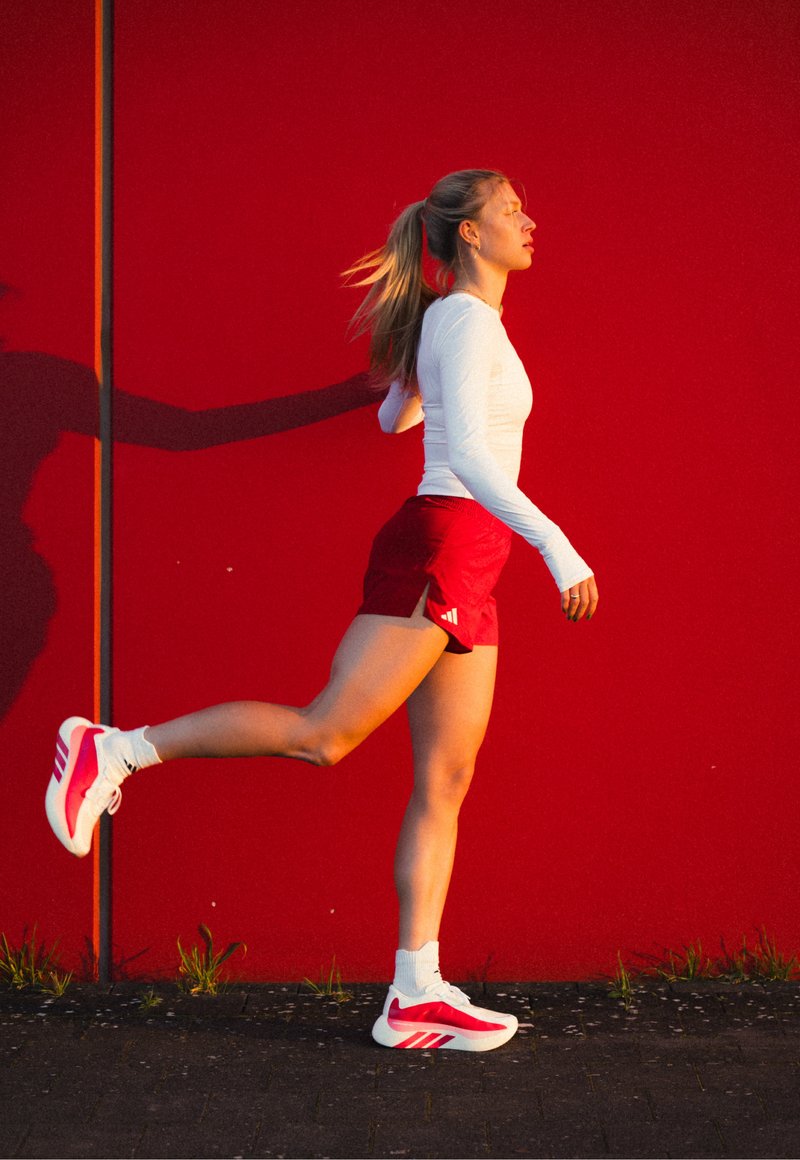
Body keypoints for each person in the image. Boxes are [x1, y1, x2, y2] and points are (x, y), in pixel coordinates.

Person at [46, 168, 598, 1052]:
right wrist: (558, 546)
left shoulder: (461, 327)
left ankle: (416, 993)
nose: (530, 221)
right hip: (448, 542)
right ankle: (112, 748)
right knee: (325, 735)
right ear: (467, 233)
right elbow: (478, 465)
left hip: (473, 556)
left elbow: (396, 423)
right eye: (510, 210)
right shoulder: (461, 320)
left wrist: (396, 388)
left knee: (444, 782)